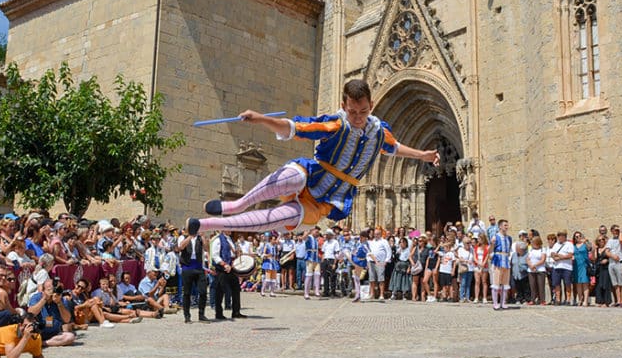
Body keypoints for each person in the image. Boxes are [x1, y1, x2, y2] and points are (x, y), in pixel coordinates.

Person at [187, 79, 439, 235]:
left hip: (325, 200)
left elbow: (395, 148)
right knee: (291, 177)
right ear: (344, 105)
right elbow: (294, 128)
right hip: (312, 174)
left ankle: (207, 225)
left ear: (371, 105)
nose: (358, 117)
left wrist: (423, 155)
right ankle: (236, 204)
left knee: (283, 217)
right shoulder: (335, 124)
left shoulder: (379, 132)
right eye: (353, 112)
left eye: (363, 111)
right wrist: (261, 119)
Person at [25, 279, 76, 347]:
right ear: (43, 290)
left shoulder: (61, 299)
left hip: (54, 334)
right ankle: (40, 341)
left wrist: (59, 303)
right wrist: (44, 299)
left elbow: (67, 319)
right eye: (49, 289)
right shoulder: (36, 297)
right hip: (38, 332)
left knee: (70, 337)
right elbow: (31, 313)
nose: (53, 292)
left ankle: (43, 343)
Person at [210, 230, 244, 320]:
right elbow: (215, 255)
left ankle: (236, 312)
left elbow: (232, 253)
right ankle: (219, 313)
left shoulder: (231, 239)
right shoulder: (218, 240)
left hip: (232, 266)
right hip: (222, 268)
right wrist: (224, 264)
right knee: (220, 290)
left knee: (236, 289)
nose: (231, 230)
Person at [177, 229, 209, 323]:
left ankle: (201, 314)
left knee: (203, 291)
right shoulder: (183, 237)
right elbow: (181, 247)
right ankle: (187, 316)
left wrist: (203, 237)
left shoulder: (200, 238)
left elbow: (206, 248)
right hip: (187, 267)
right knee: (187, 293)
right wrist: (190, 236)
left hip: (199, 267)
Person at [366, 227, 391, 302]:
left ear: (380, 234)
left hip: (380, 262)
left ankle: (381, 294)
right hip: (371, 262)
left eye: (378, 234)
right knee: (372, 279)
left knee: (381, 279)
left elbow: (388, 251)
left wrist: (386, 261)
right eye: (375, 234)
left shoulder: (384, 241)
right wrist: (367, 261)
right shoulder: (371, 242)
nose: (376, 235)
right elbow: (368, 253)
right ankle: (372, 294)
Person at [606, 225, 622, 306]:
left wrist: (620, 231)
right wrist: (612, 256)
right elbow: (607, 251)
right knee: (615, 284)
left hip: (620, 262)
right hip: (612, 263)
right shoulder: (610, 240)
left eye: (617, 230)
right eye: (614, 230)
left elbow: (621, 240)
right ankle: (618, 300)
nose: (615, 231)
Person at [526, 236, 547, 305]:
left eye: (533, 242)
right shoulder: (530, 250)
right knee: (532, 286)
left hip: (540, 269)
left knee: (541, 285)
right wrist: (530, 265)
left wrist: (535, 265)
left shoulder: (542, 249)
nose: (531, 243)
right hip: (531, 270)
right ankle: (533, 299)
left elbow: (543, 260)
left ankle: (542, 300)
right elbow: (527, 259)